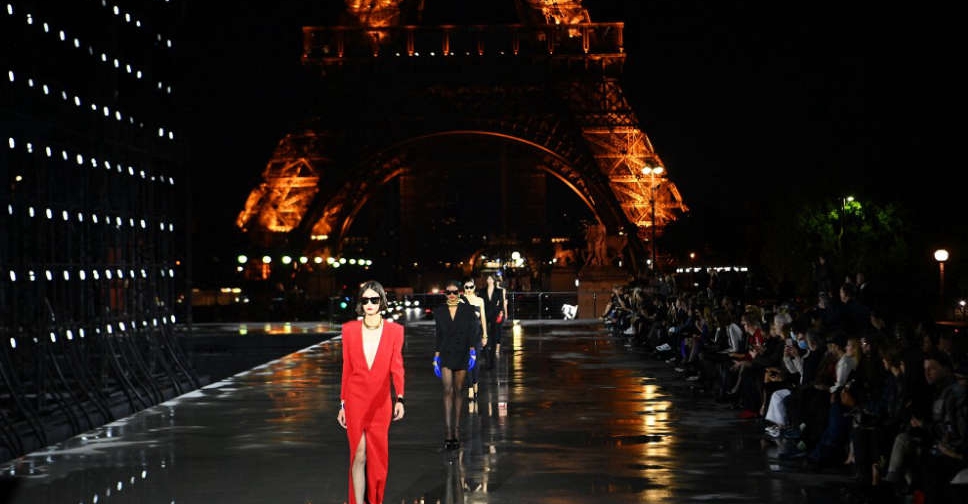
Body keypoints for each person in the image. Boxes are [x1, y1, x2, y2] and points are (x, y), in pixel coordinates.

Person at [337, 280, 406, 504]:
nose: (369, 304)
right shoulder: (349, 330)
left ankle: (375, 500)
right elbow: (347, 369)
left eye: (374, 300)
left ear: (381, 302)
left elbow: (397, 367)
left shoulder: (395, 331)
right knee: (358, 454)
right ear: (360, 302)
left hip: (381, 403)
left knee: (378, 460)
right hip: (355, 400)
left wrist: (400, 398)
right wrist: (342, 404)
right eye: (365, 300)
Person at [434, 279, 482, 449]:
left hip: (462, 352)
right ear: (445, 294)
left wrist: (473, 352)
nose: (452, 295)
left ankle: (456, 431)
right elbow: (438, 335)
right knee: (447, 390)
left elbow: (472, 332)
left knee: (458, 390)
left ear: (460, 293)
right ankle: (448, 434)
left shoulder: (467, 310)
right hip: (446, 353)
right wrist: (436, 357)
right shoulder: (439, 312)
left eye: (455, 292)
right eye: (449, 292)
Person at [461, 277, 488, 407]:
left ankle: (475, 383)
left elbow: (483, 319)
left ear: (474, 288)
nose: (469, 290)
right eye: (466, 287)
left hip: (477, 335)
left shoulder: (480, 301)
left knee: (476, 362)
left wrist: (485, 335)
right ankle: (470, 388)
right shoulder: (460, 300)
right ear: (464, 289)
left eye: (471, 287)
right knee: (467, 363)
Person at [482, 273, 506, 370]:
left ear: (494, 280)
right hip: (485, 315)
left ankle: (491, 361)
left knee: (493, 338)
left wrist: (500, 312)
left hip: (495, 316)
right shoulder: (482, 291)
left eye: (491, 279)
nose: (489, 280)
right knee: (484, 337)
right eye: (488, 279)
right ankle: (487, 358)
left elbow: (501, 303)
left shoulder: (499, 291)